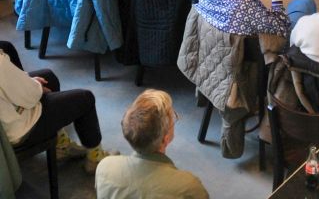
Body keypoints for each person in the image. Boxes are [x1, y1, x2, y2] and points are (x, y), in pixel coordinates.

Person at [0, 40, 112, 174]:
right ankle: (96, 158)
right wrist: (37, 87)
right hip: (18, 132)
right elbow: (30, 96)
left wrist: (32, 83)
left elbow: (12, 81)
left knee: (48, 77)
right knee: (85, 98)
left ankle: (61, 146)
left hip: (7, 117)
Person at [95, 89, 208, 199]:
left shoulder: (104, 167)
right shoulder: (189, 188)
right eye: (173, 117)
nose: (174, 119)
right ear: (165, 138)